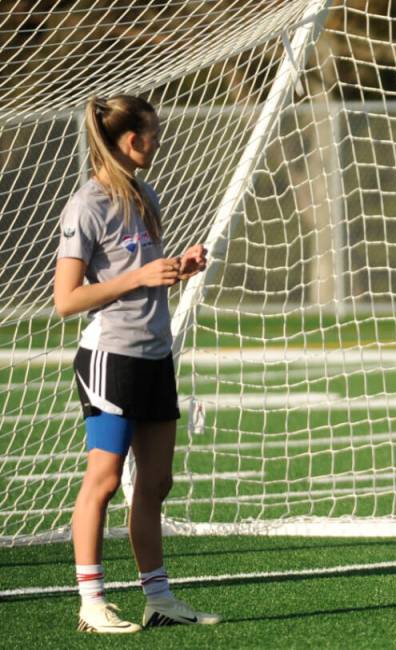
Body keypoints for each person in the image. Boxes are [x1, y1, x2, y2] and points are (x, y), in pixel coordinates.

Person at [54, 95, 220, 631]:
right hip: (111, 359)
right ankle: (92, 601)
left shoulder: (145, 194)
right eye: (154, 133)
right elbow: (66, 299)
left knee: (156, 482)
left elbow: (147, 276)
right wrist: (138, 277)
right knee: (102, 481)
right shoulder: (87, 204)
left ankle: (159, 599)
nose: (159, 141)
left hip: (154, 356)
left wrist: (181, 269)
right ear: (131, 140)